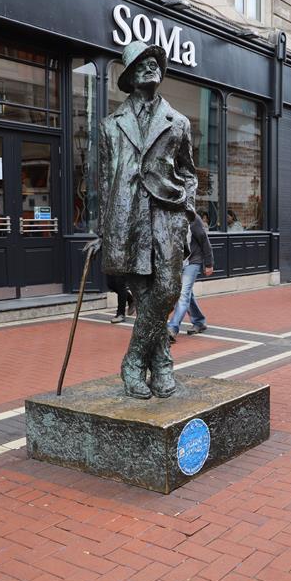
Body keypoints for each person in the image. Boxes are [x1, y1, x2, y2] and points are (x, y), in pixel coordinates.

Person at [98, 41, 198, 399]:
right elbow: (103, 181)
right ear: (129, 75)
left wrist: (187, 209)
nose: (151, 66)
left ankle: (133, 361)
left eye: (155, 62)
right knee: (142, 294)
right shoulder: (110, 125)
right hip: (126, 219)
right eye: (142, 62)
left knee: (168, 290)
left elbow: (189, 173)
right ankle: (162, 365)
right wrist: (103, 231)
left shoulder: (178, 122)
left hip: (168, 215)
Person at [167, 213, 214, 342]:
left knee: (183, 295)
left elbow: (204, 240)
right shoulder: (170, 217)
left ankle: (172, 328)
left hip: (192, 262)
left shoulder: (193, 218)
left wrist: (209, 263)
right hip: (177, 262)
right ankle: (199, 321)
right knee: (188, 294)